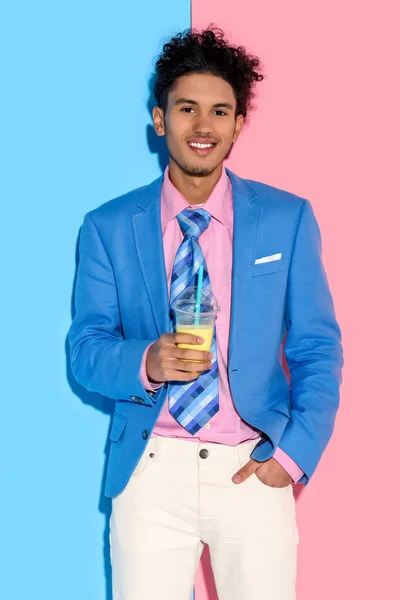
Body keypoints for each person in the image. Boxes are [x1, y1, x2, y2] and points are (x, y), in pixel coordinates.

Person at [69, 26, 343, 600]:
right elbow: (86, 351)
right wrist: (146, 359)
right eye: (187, 108)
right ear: (160, 118)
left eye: (220, 111)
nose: (203, 126)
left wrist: (293, 455)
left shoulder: (286, 219)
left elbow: (316, 346)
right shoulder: (108, 227)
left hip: (253, 465)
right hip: (149, 471)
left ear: (238, 124)